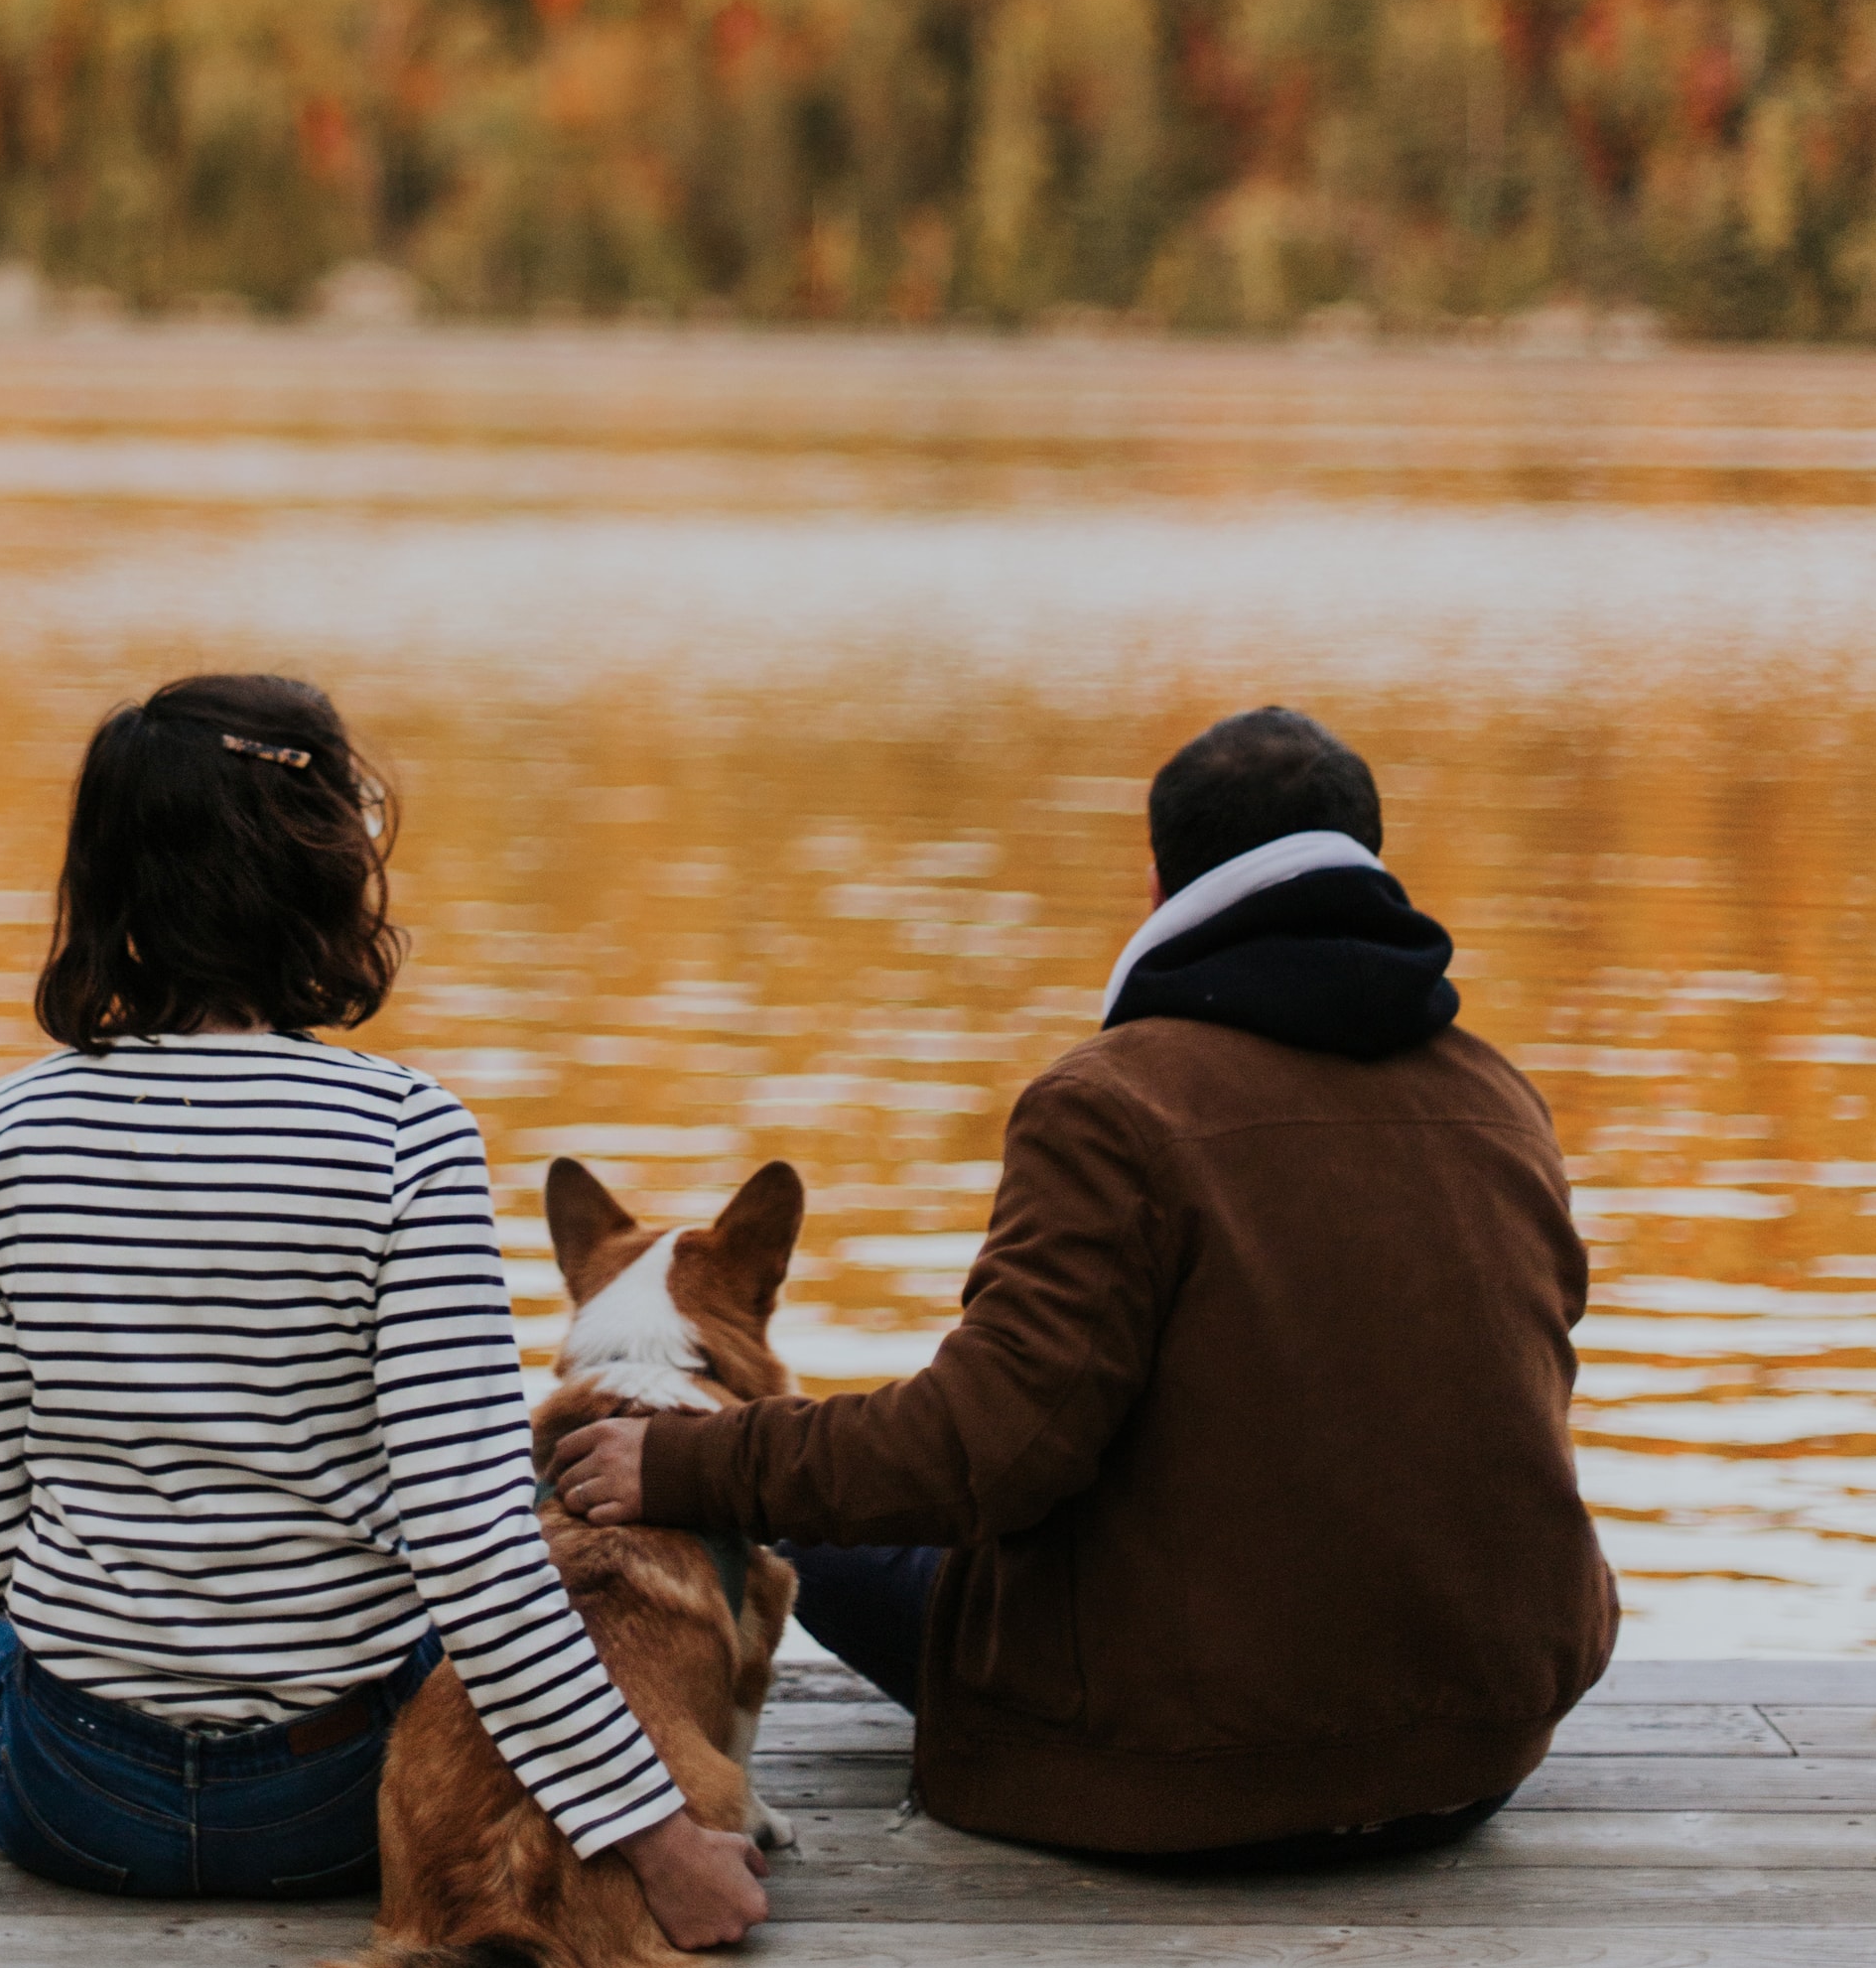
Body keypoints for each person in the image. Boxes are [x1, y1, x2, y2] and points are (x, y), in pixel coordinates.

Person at [557, 704, 1620, 1863]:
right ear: (1373, 863)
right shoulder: (1500, 1095)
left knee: (832, 1526)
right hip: (1476, 1748)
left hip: (1193, 1772)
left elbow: (988, 1448)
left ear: (1157, 880)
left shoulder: (1112, 1102)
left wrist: (695, 1460)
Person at [0, 667, 767, 1941]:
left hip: (77, 1804)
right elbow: (478, 1554)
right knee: (470, 1518)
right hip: (325, 1810)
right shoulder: (403, 1135)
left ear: (106, 876)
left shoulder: (6, 1131)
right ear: (328, 872)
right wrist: (658, 1838)